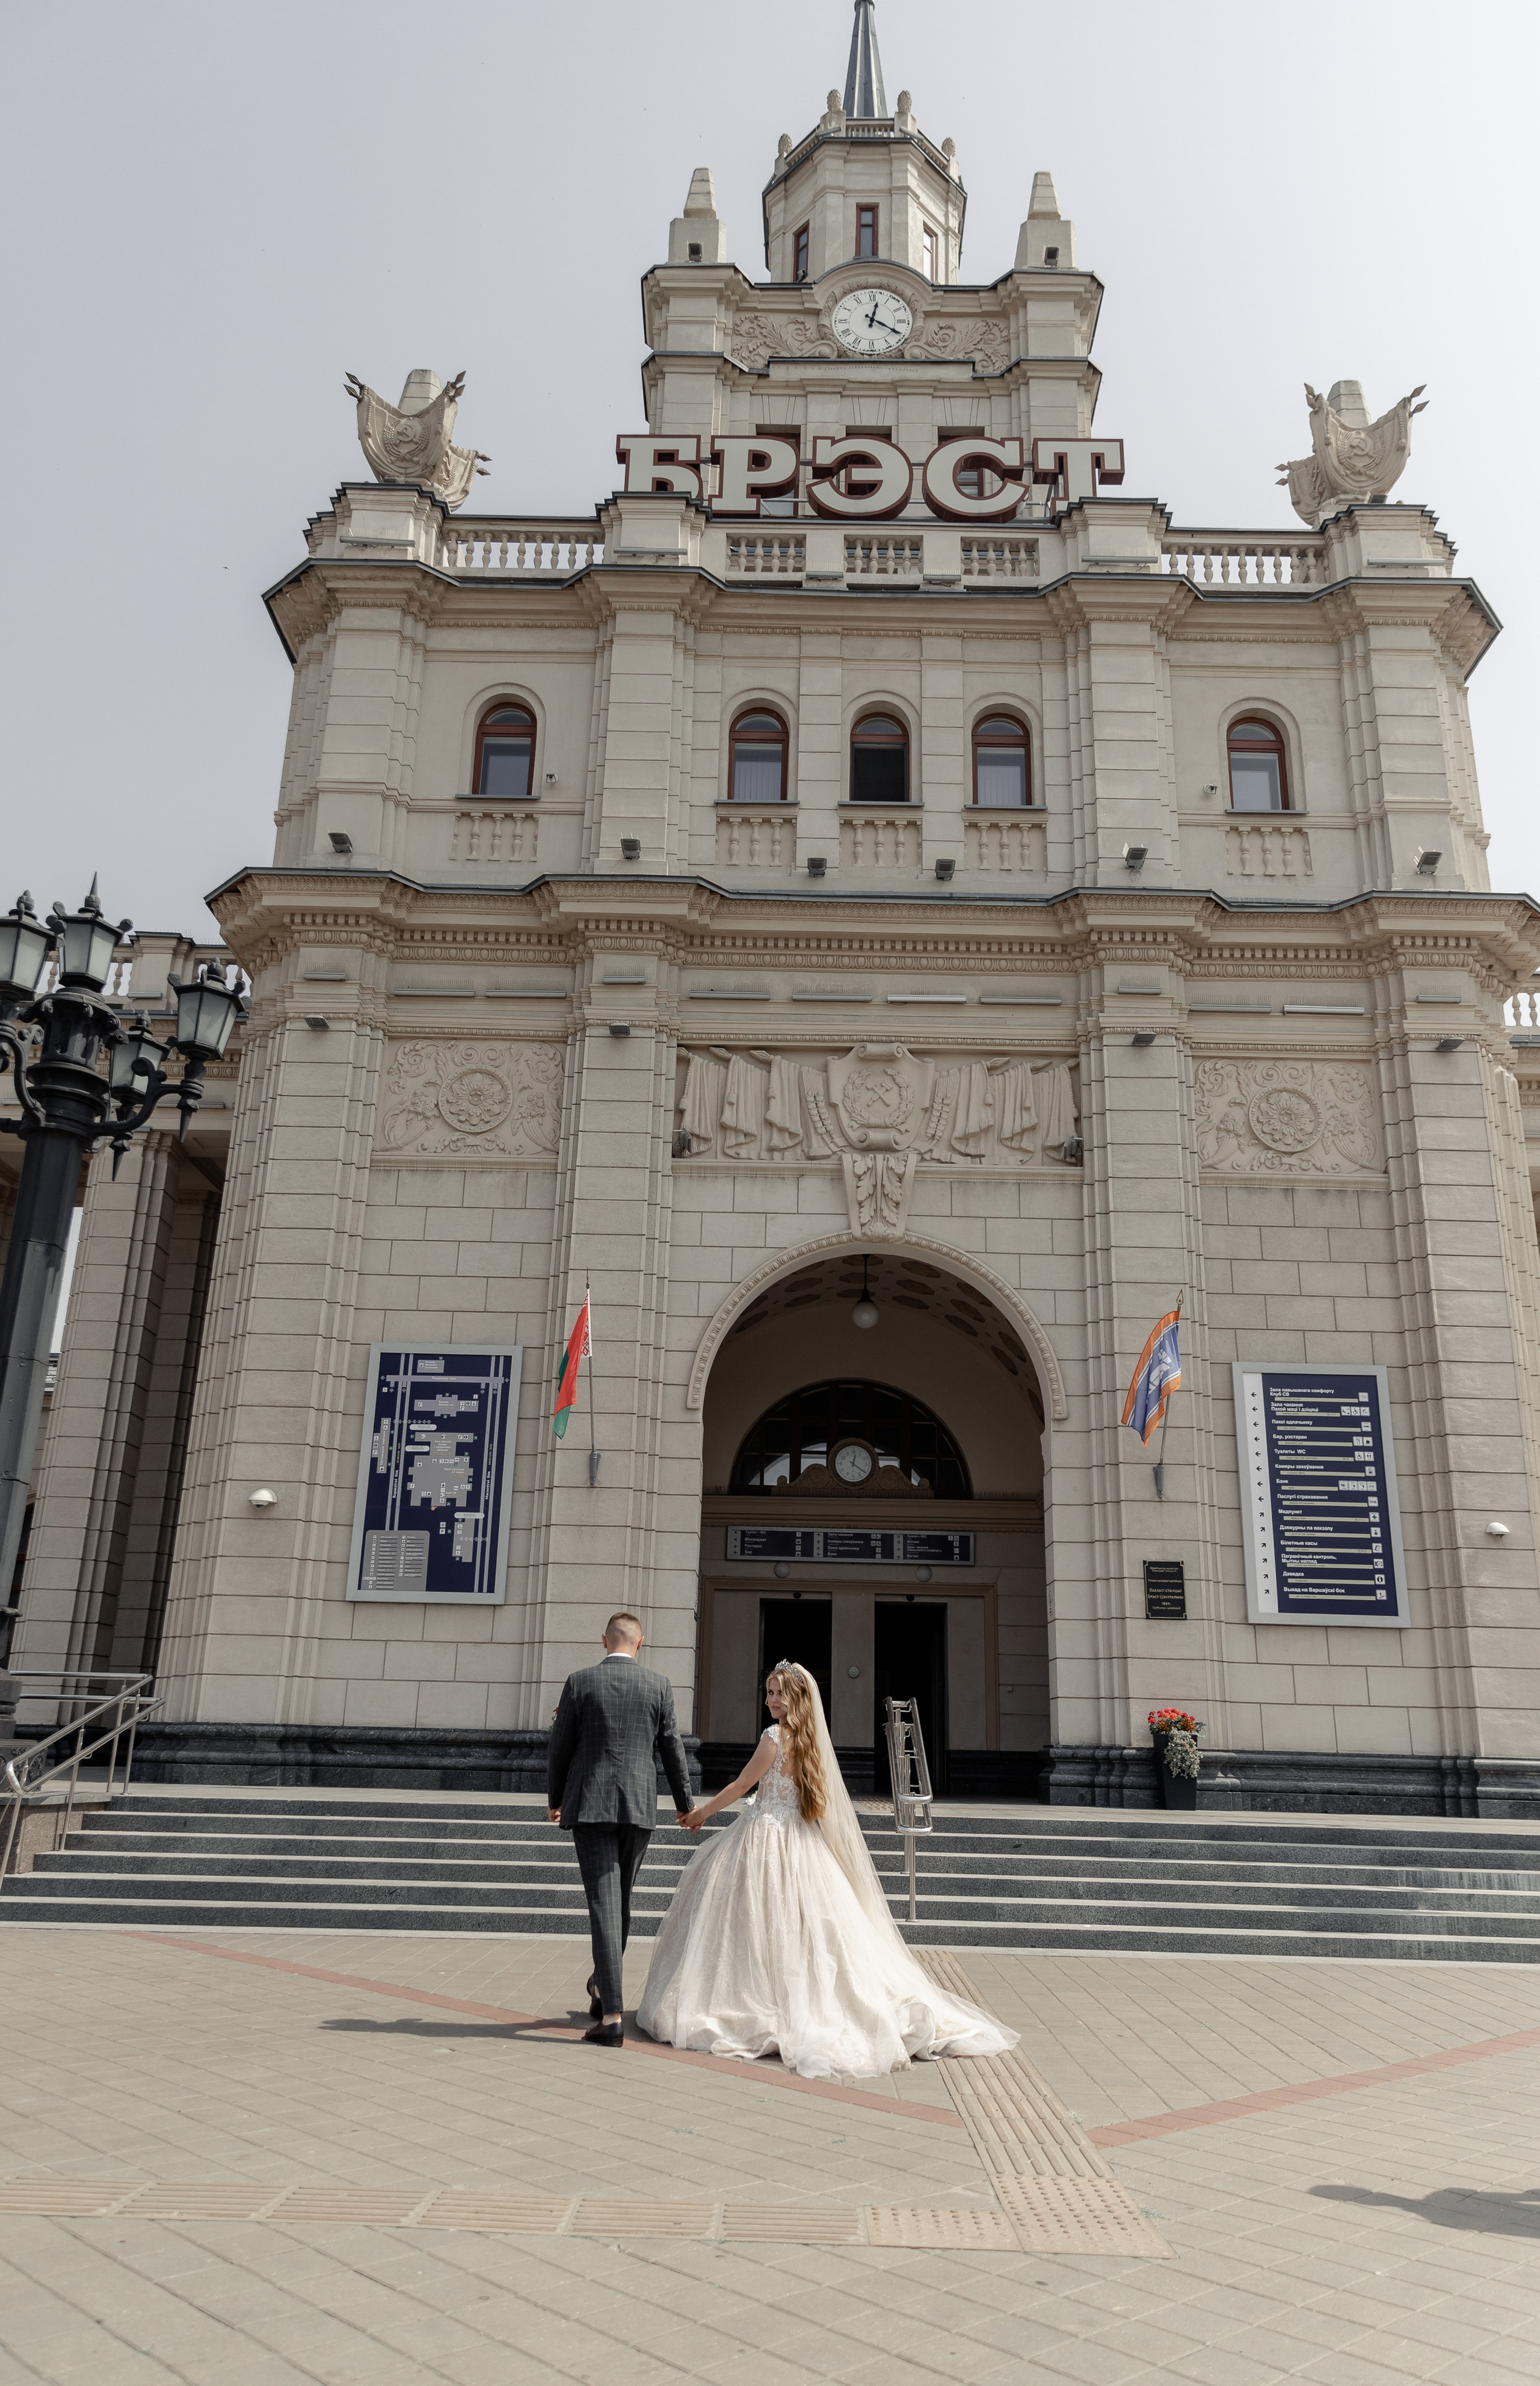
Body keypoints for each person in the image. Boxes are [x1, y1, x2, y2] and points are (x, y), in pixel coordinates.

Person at [638, 1659, 1017, 2079]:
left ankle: (759, 2002)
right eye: (768, 1691)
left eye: (780, 1692)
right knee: (793, 1923)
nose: (772, 1699)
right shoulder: (811, 1741)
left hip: (767, 1836)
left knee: (759, 1919)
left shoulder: (774, 1737)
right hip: (798, 1838)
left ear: (797, 1698)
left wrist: (701, 1812)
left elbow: (745, 1785)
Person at [547, 1609, 694, 2046]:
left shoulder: (579, 1682)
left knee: (604, 1906)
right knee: (620, 1902)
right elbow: (672, 1748)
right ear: (641, 1642)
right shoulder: (658, 1685)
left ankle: (611, 2016)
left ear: (604, 1640)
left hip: (590, 1805)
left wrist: (555, 1799)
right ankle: (601, 1985)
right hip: (637, 1808)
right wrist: (685, 1805)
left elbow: (561, 1747)